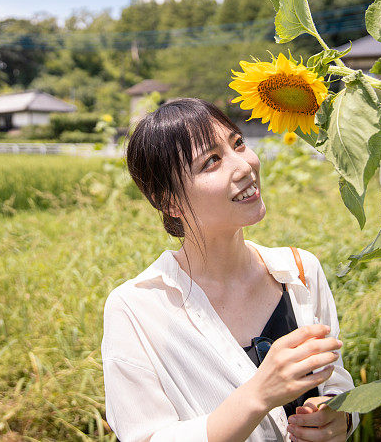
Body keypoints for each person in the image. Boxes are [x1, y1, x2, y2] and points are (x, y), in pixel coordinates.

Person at [102, 98, 358, 441]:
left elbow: (337, 381)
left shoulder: (299, 271)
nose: (244, 166)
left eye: (238, 143)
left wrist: (340, 417)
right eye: (212, 161)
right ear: (169, 201)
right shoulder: (137, 307)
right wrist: (257, 395)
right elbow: (145, 436)